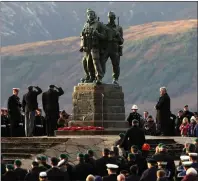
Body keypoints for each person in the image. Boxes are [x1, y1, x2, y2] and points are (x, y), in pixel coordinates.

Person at [80, 8, 106, 84]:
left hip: (95, 46)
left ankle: (99, 77)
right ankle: (91, 77)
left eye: (91, 14)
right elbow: (82, 35)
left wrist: (97, 33)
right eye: (88, 14)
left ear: (94, 15)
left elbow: (104, 36)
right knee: (86, 62)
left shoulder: (99, 24)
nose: (90, 15)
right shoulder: (86, 24)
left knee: (96, 61)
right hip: (87, 46)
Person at [102, 11, 124, 85]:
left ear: (114, 18)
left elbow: (121, 41)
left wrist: (118, 36)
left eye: (111, 17)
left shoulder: (119, 28)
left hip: (115, 48)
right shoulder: (104, 27)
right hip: (106, 47)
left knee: (116, 64)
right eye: (109, 17)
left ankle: (115, 79)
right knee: (102, 62)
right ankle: (99, 77)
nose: (110, 18)